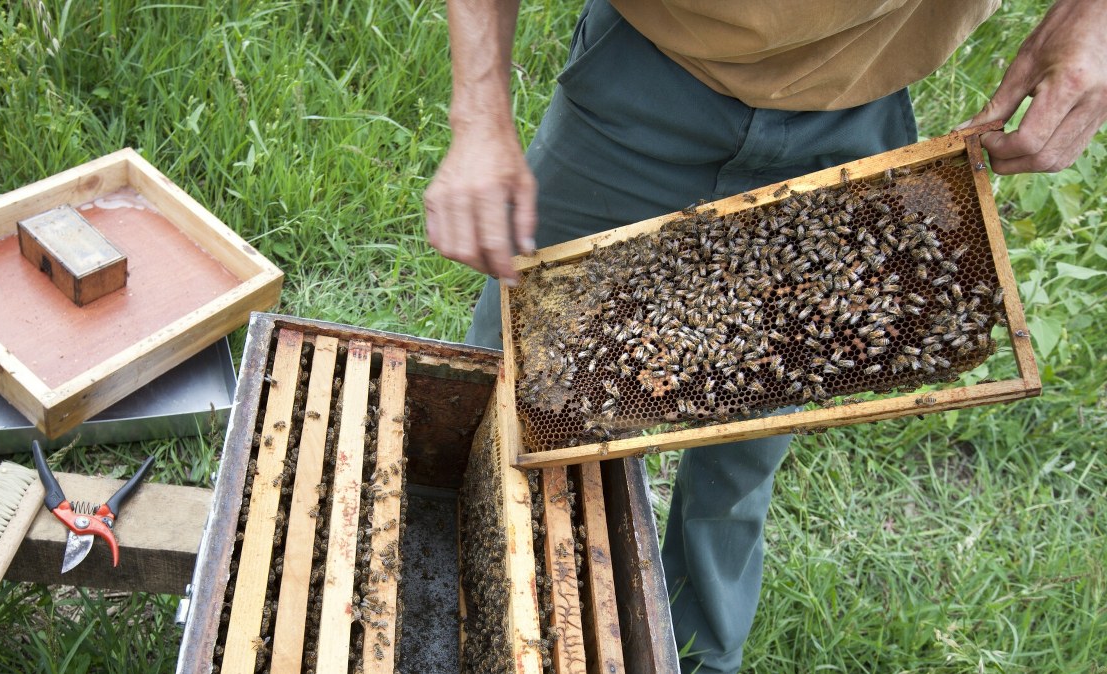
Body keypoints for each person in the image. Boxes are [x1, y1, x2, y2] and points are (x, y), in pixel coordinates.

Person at [423, 0, 1107, 672]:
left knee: (745, 446)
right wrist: (478, 115)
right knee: (519, 398)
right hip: (649, 71)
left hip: (856, 97)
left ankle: (698, 657)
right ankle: (463, 617)